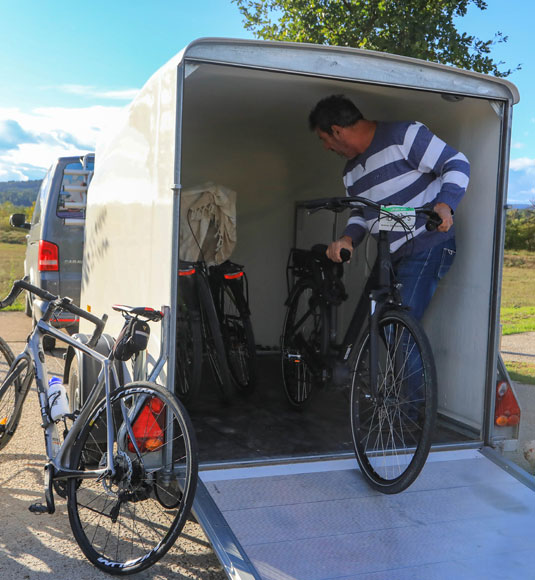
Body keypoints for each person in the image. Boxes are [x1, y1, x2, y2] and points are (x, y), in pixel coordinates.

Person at [308, 94, 470, 320]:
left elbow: (456, 163)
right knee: (383, 324)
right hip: (390, 255)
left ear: (337, 130)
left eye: (323, 139)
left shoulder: (404, 135)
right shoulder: (350, 173)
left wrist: (445, 205)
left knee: (399, 330)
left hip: (425, 244)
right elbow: (359, 213)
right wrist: (347, 239)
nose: (326, 147)